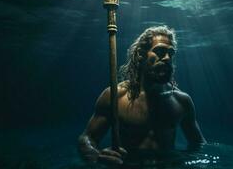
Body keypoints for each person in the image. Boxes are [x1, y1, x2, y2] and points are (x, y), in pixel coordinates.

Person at [78, 26, 206, 165]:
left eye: (171, 53)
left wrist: (184, 161)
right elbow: (87, 138)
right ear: (141, 54)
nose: (167, 58)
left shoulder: (181, 101)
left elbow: (198, 144)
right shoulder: (116, 96)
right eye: (160, 51)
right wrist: (96, 157)